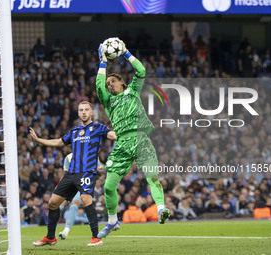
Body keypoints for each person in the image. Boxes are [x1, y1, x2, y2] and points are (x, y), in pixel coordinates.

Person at [95, 40, 170, 239]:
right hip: (121, 144)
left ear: (122, 82)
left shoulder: (133, 91)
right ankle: (112, 221)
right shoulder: (108, 102)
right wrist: (103, 62)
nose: (109, 84)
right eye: (108, 83)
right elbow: (98, 85)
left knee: (152, 176)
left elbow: (141, 70)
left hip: (141, 139)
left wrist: (126, 52)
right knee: (109, 187)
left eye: (113, 81)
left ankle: (161, 208)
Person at [32, 101, 116, 246]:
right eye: (81, 110)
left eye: (86, 110)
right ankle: (50, 237)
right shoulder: (74, 131)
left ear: (91, 113)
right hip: (71, 174)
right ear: (78, 113)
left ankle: (96, 238)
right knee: (52, 203)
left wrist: (125, 133)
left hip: (87, 172)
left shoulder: (98, 128)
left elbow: (112, 135)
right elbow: (58, 142)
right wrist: (39, 140)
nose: (83, 112)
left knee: (85, 200)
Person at [58, 153, 105, 240]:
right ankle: (50, 233)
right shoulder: (68, 157)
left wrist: (100, 170)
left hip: (84, 185)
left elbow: (100, 171)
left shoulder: (92, 154)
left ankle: (65, 231)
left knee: (74, 205)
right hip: (71, 186)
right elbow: (66, 176)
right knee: (60, 207)